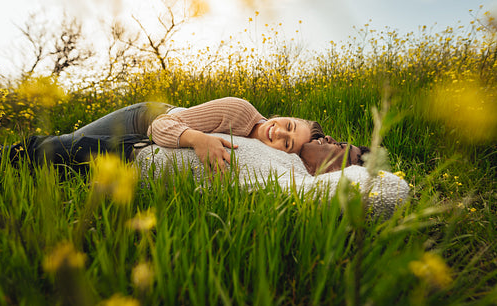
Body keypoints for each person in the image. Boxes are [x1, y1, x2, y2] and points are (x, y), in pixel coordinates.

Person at [0, 97, 323, 172]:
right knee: (70, 144)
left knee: (76, 161)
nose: (279, 131)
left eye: (287, 143)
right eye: (289, 125)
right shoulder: (239, 111)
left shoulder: (258, 150)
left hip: (158, 132)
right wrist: (198, 139)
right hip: (146, 119)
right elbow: (161, 128)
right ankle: (6, 157)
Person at [135, 133, 408, 218]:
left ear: (338, 172)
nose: (328, 138)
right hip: (155, 126)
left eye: (337, 147)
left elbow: (388, 189)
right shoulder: (283, 146)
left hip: (128, 157)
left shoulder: (294, 181)